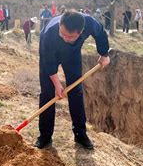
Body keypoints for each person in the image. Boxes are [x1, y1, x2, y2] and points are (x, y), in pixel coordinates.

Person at [36, 10, 110, 150]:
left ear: (81, 32)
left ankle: (80, 134)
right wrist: (57, 84)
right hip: (50, 53)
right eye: (62, 34)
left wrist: (104, 54)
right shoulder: (50, 33)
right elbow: (49, 63)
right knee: (47, 93)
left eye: (70, 37)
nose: (65, 38)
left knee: (76, 92)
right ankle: (45, 136)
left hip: (72, 55)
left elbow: (100, 33)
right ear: (60, 25)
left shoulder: (89, 23)